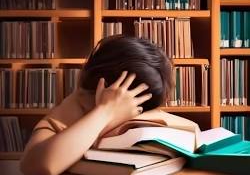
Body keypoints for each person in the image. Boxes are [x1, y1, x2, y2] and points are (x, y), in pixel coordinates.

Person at [20, 35, 173, 175]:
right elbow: (38, 167)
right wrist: (104, 112)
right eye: (86, 106)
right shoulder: (65, 115)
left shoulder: (138, 113)